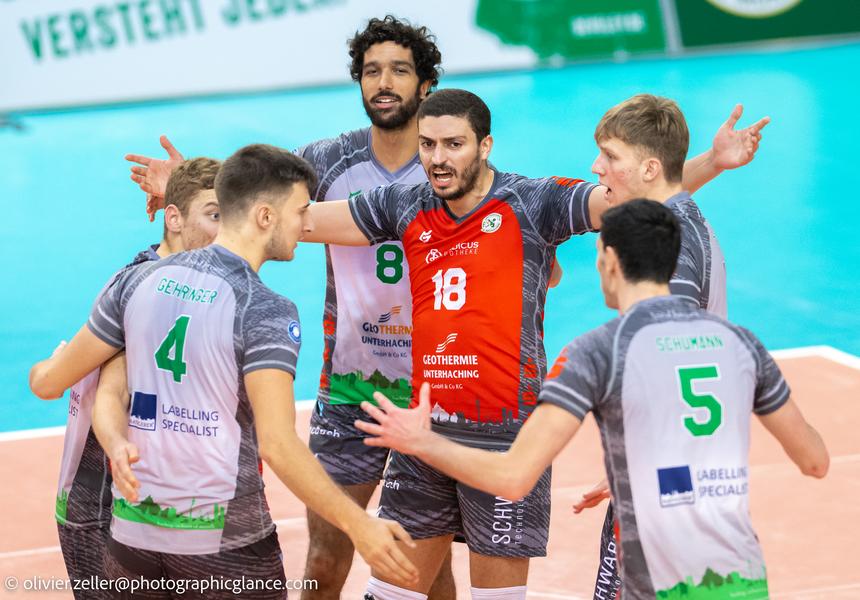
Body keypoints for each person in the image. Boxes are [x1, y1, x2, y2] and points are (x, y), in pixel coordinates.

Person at [302, 88, 768, 599]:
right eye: (427, 144)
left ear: (485, 146)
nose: (437, 158)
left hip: (508, 439)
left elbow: (634, 196)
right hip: (423, 436)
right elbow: (305, 221)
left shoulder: (532, 202)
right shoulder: (404, 203)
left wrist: (711, 163)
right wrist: (238, 210)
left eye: (453, 144)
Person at [123, 17, 458, 598]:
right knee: (325, 560)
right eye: (371, 71)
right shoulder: (329, 159)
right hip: (350, 390)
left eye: (399, 71)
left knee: (427, 570)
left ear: (425, 84)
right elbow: (254, 193)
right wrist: (186, 185)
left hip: (435, 393)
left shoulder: (448, 166)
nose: (383, 83)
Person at [356, 199, 829, 599]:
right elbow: (814, 460)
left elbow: (513, 478)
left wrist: (422, 442)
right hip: (738, 578)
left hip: (655, 579)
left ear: (608, 259)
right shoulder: (741, 343)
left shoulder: (599, 351)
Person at [30, 144, 417, 599]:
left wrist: (107, 434)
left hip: (132, 538)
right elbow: (277, 444)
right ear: (265, 216)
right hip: (226, 548)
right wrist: (360, 525)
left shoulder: (138, 280)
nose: (306, 225)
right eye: (300, 211)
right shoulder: (265, 309)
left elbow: (69, 386)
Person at [578, 93, 765, 598]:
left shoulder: (670, 249)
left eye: (610, 156)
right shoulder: (682, 220)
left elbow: (671, 355)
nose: (597, 167)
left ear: (649, 168)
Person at [50, 157, 221, 598]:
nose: (229, 231)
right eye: (216, 215)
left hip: (166, 505)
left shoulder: (205, 283)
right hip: (101, 504)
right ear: (175, 219)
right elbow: (89, 387)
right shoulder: (139, 285)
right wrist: (51, 371)